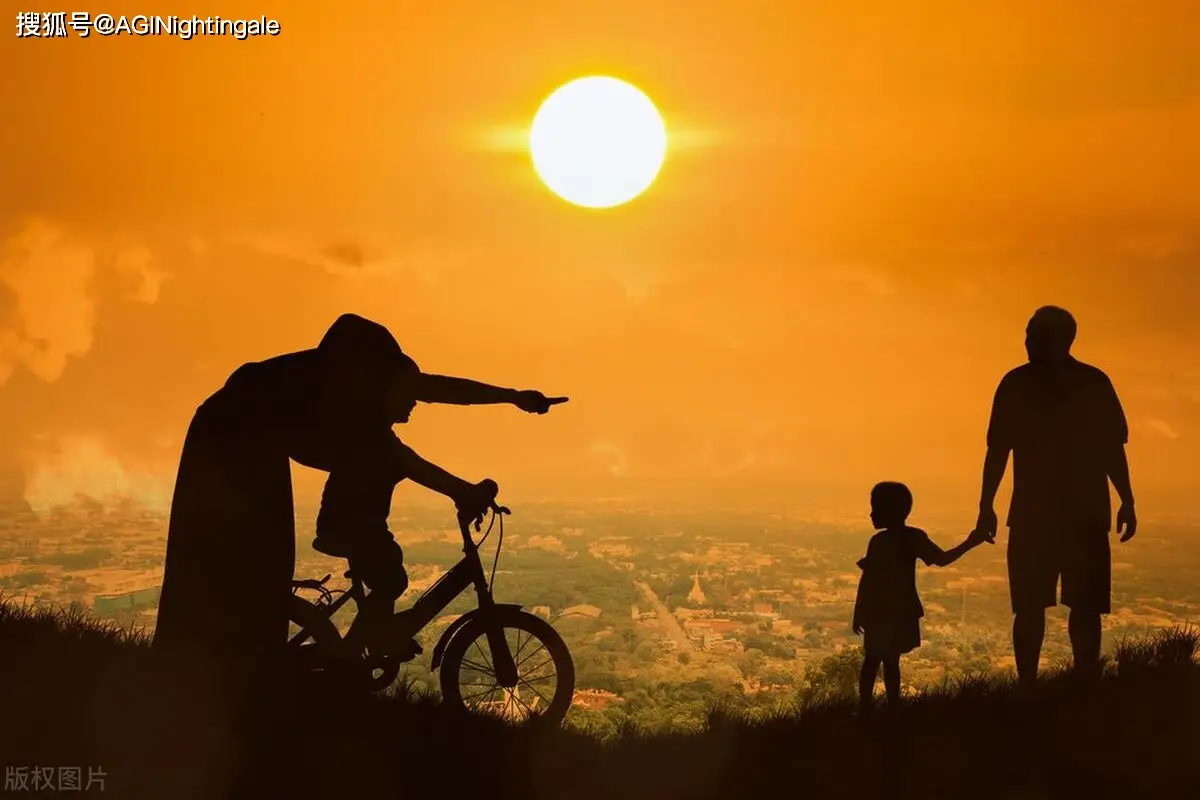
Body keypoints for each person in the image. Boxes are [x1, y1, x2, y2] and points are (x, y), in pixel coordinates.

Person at [150, 313, 566, 793]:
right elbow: (419, 464)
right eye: (407, 396)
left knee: (274, 566)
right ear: (378, 386)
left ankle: (246, 666)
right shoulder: (362, 423)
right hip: (235, 445)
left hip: (242, 442)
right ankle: (289, 666)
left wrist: (513, 398)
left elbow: (438, 390)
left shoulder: (359, 397)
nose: (417, 401)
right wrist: (465, 487)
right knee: (289, 566)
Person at [974, 306, 1136, 685]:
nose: (1027, 343)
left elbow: (1112, 448)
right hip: (1065, 512)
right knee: (1048, 606)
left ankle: (1062, 683)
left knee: (1076, 605)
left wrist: (1128, 499)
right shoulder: (1087, 382)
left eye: (1034, 336)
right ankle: (1049, 684)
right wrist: (985, 506)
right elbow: (998, 450)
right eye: (1028, 335)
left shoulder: (1024, 384)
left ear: (1060, 340)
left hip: (1054, 514)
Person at [853, 481, 988, 713]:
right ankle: (889, 707)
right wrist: (970, 543)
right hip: (896, 611)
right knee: (887, 661)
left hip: (881, 611)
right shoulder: (907, 538)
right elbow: (942, 559)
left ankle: (869, 708)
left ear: (889, 511)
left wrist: (859, 610)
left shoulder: (882, 541)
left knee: (873, 661)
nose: (871, 513)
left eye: (875, 508)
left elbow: (868, 579)